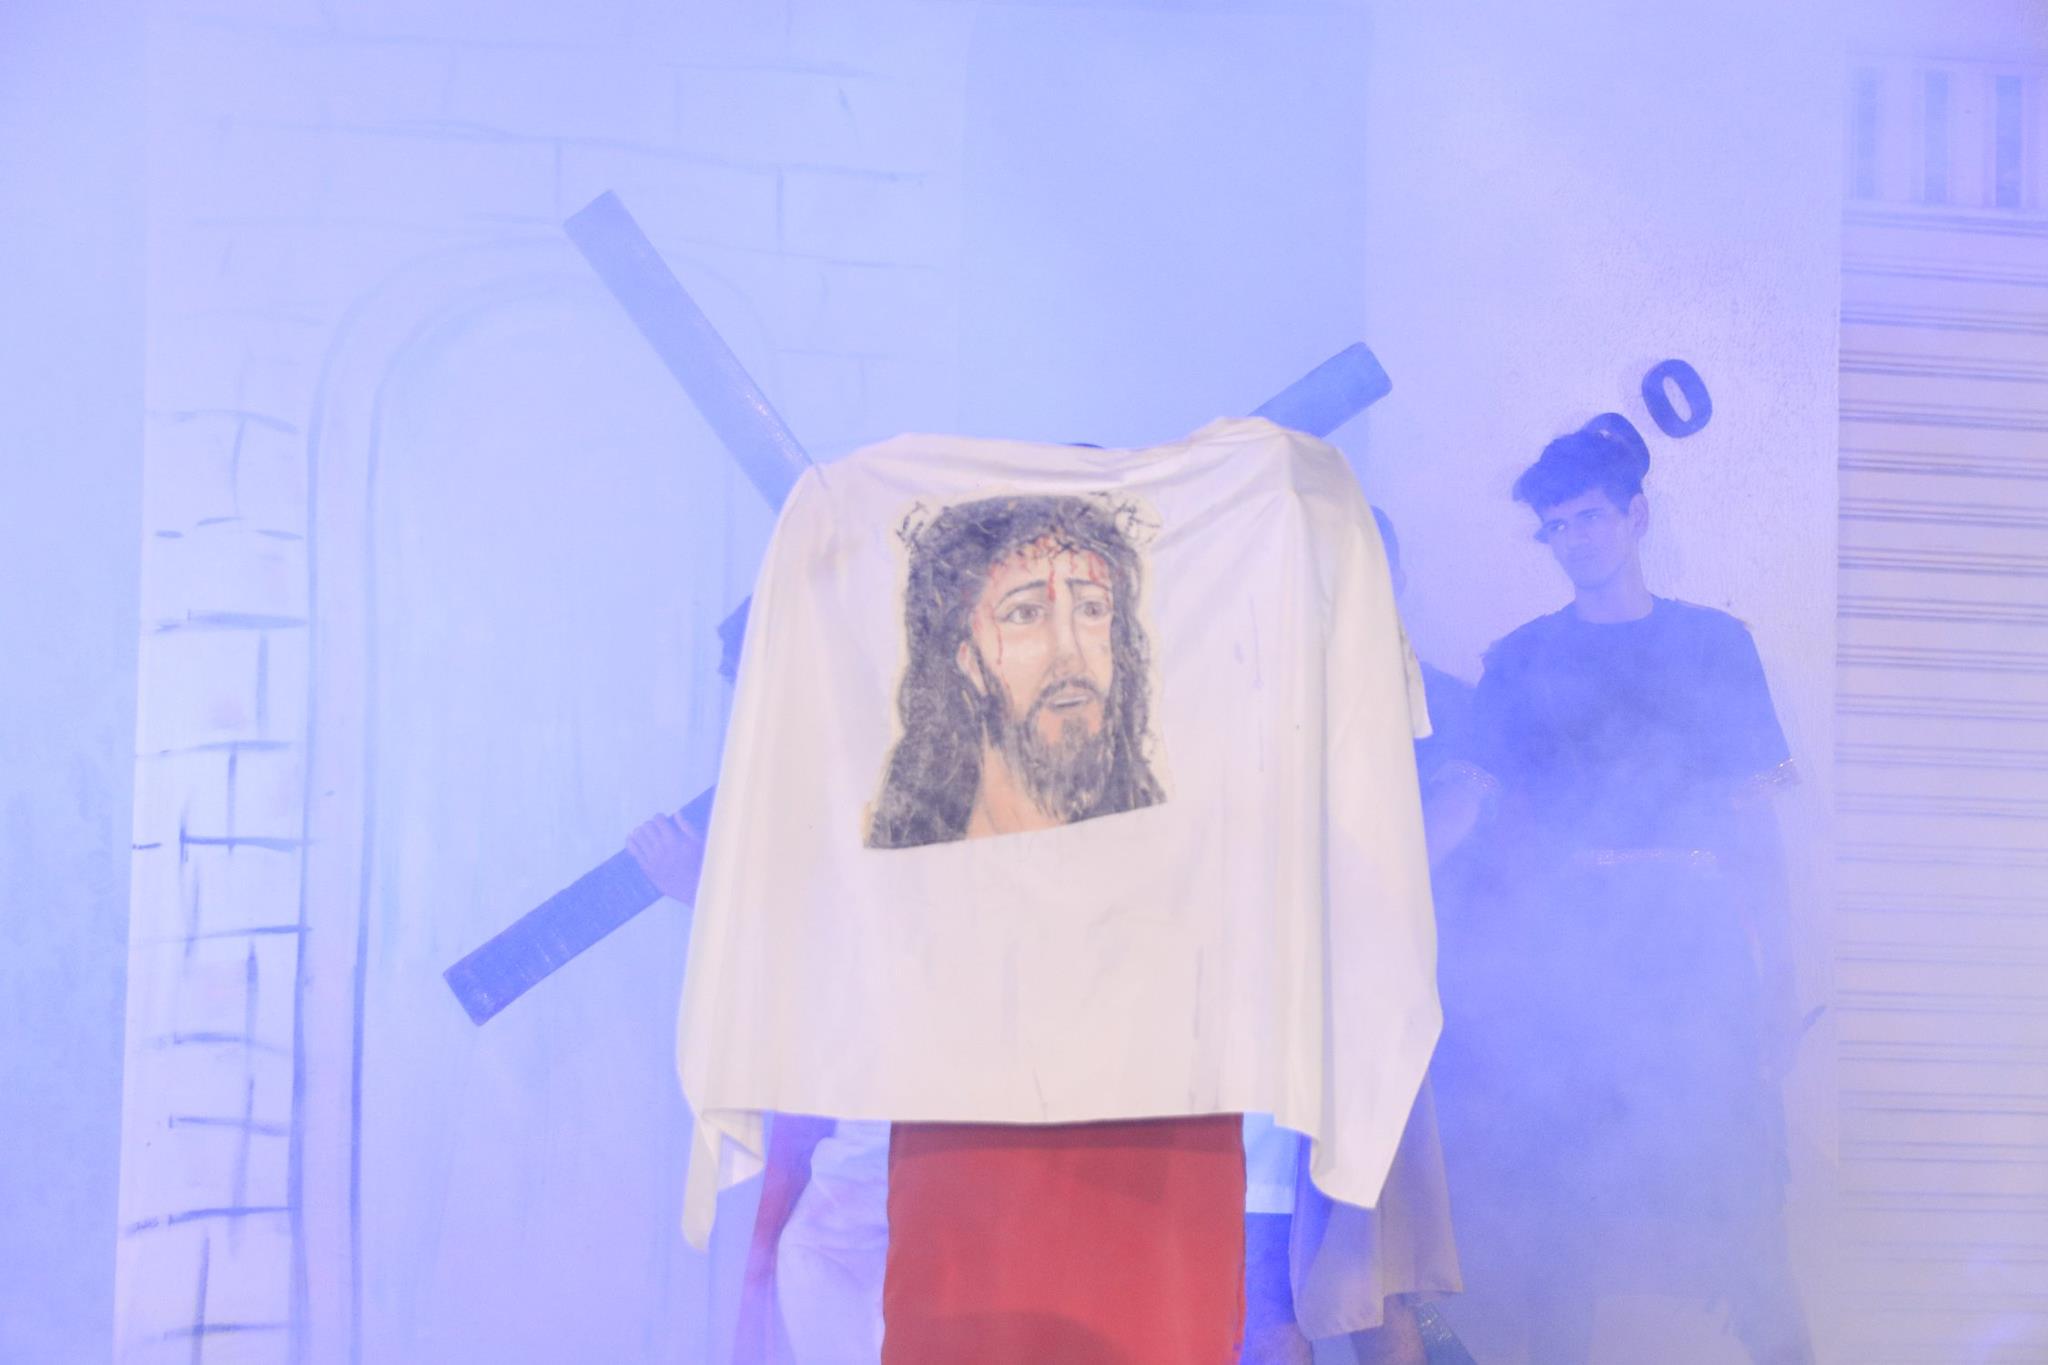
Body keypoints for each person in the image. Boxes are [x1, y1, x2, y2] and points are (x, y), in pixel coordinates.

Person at [1428, 416, 1814, 1365]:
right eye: (1557, 527)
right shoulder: (1520, 660)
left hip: (1695, 945)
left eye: (1590, 517)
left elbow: (1757, 829)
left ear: (1636, 515)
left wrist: (1782, 975)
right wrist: (1376, 896)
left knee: (1742, 1192)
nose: (1574, 540)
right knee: (1561, 1204)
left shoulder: (1716, 645)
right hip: (1575, 956)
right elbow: (1462, 809)